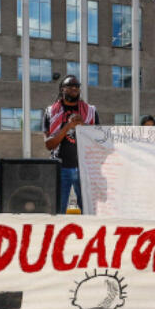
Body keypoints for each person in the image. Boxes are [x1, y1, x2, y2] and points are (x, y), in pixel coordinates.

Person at [43, 75, 98, 214]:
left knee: (89, 211)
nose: (74, 88)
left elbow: (98, 140)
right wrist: (68, 126)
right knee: (58, 211)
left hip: (85, 168)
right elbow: (49, 144)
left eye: (77, 86)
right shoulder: (51, 111)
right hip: (61, 167)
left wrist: (82, 125)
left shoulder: (90, 111)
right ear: (62, 89)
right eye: (70, 85)